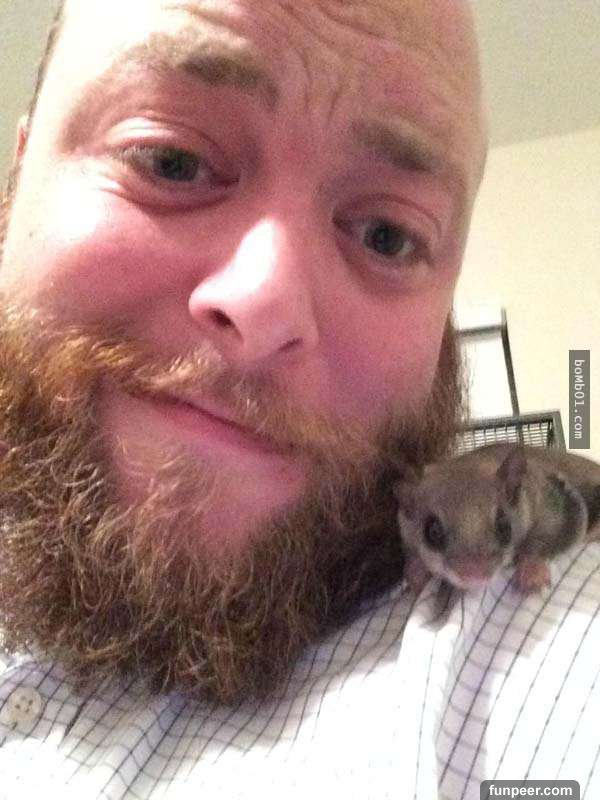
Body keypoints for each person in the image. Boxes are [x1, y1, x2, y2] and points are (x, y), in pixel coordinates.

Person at [0, 1, 597, 798]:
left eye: (387, 235)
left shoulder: (546, 646)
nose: (264, 304)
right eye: (171, 161)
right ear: (16, 184)